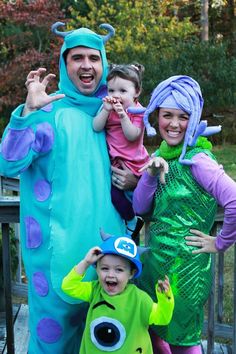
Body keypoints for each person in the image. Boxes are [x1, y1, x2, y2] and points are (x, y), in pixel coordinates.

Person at [0, 22, 137, 353]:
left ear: (104, 63)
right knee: (52, 345)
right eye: (77, 57)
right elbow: (8, 164)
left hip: (110, 262)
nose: (86, 65)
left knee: (105, 344)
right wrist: (27, 113)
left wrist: (135, 181)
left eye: (94, 57)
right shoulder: (48, 111)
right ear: (65, 63)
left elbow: (137, 164)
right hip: (57, 263)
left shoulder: (118, 116)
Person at [132, 75, 236, 354]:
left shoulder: (198, 160)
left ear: (194, 118)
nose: (174, 124)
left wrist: (220, 242)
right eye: (167, 115)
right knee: (155, 330)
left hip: (187, 274)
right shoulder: (165, 155)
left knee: (183, 339)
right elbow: (140, 209)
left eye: (183, 116)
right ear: (157, 116)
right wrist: (151, 174)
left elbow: (235, 199)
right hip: (157, 265)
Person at [62, 231, 174, 353]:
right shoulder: (95, 290)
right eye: (104, 268)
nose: (110, 275)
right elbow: (68, 286)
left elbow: (162, 318)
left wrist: (165, 298)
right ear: (97, 270)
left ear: (131, 273)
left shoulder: (140, 299)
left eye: (119, 270)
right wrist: (86, 263)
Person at [93, 63, 149, 239]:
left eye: (122, 91)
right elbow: (96, 126)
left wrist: (123, 115)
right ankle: (132, 221)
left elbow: (132, 135)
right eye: (111, 91)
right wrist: (105, 111)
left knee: (140, 199)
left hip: (136, 165)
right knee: (115, 196)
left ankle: (138, 221)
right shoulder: (108, 109)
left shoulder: (138, 111)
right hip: (117, 165)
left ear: (136, 92)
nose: (116, 95)